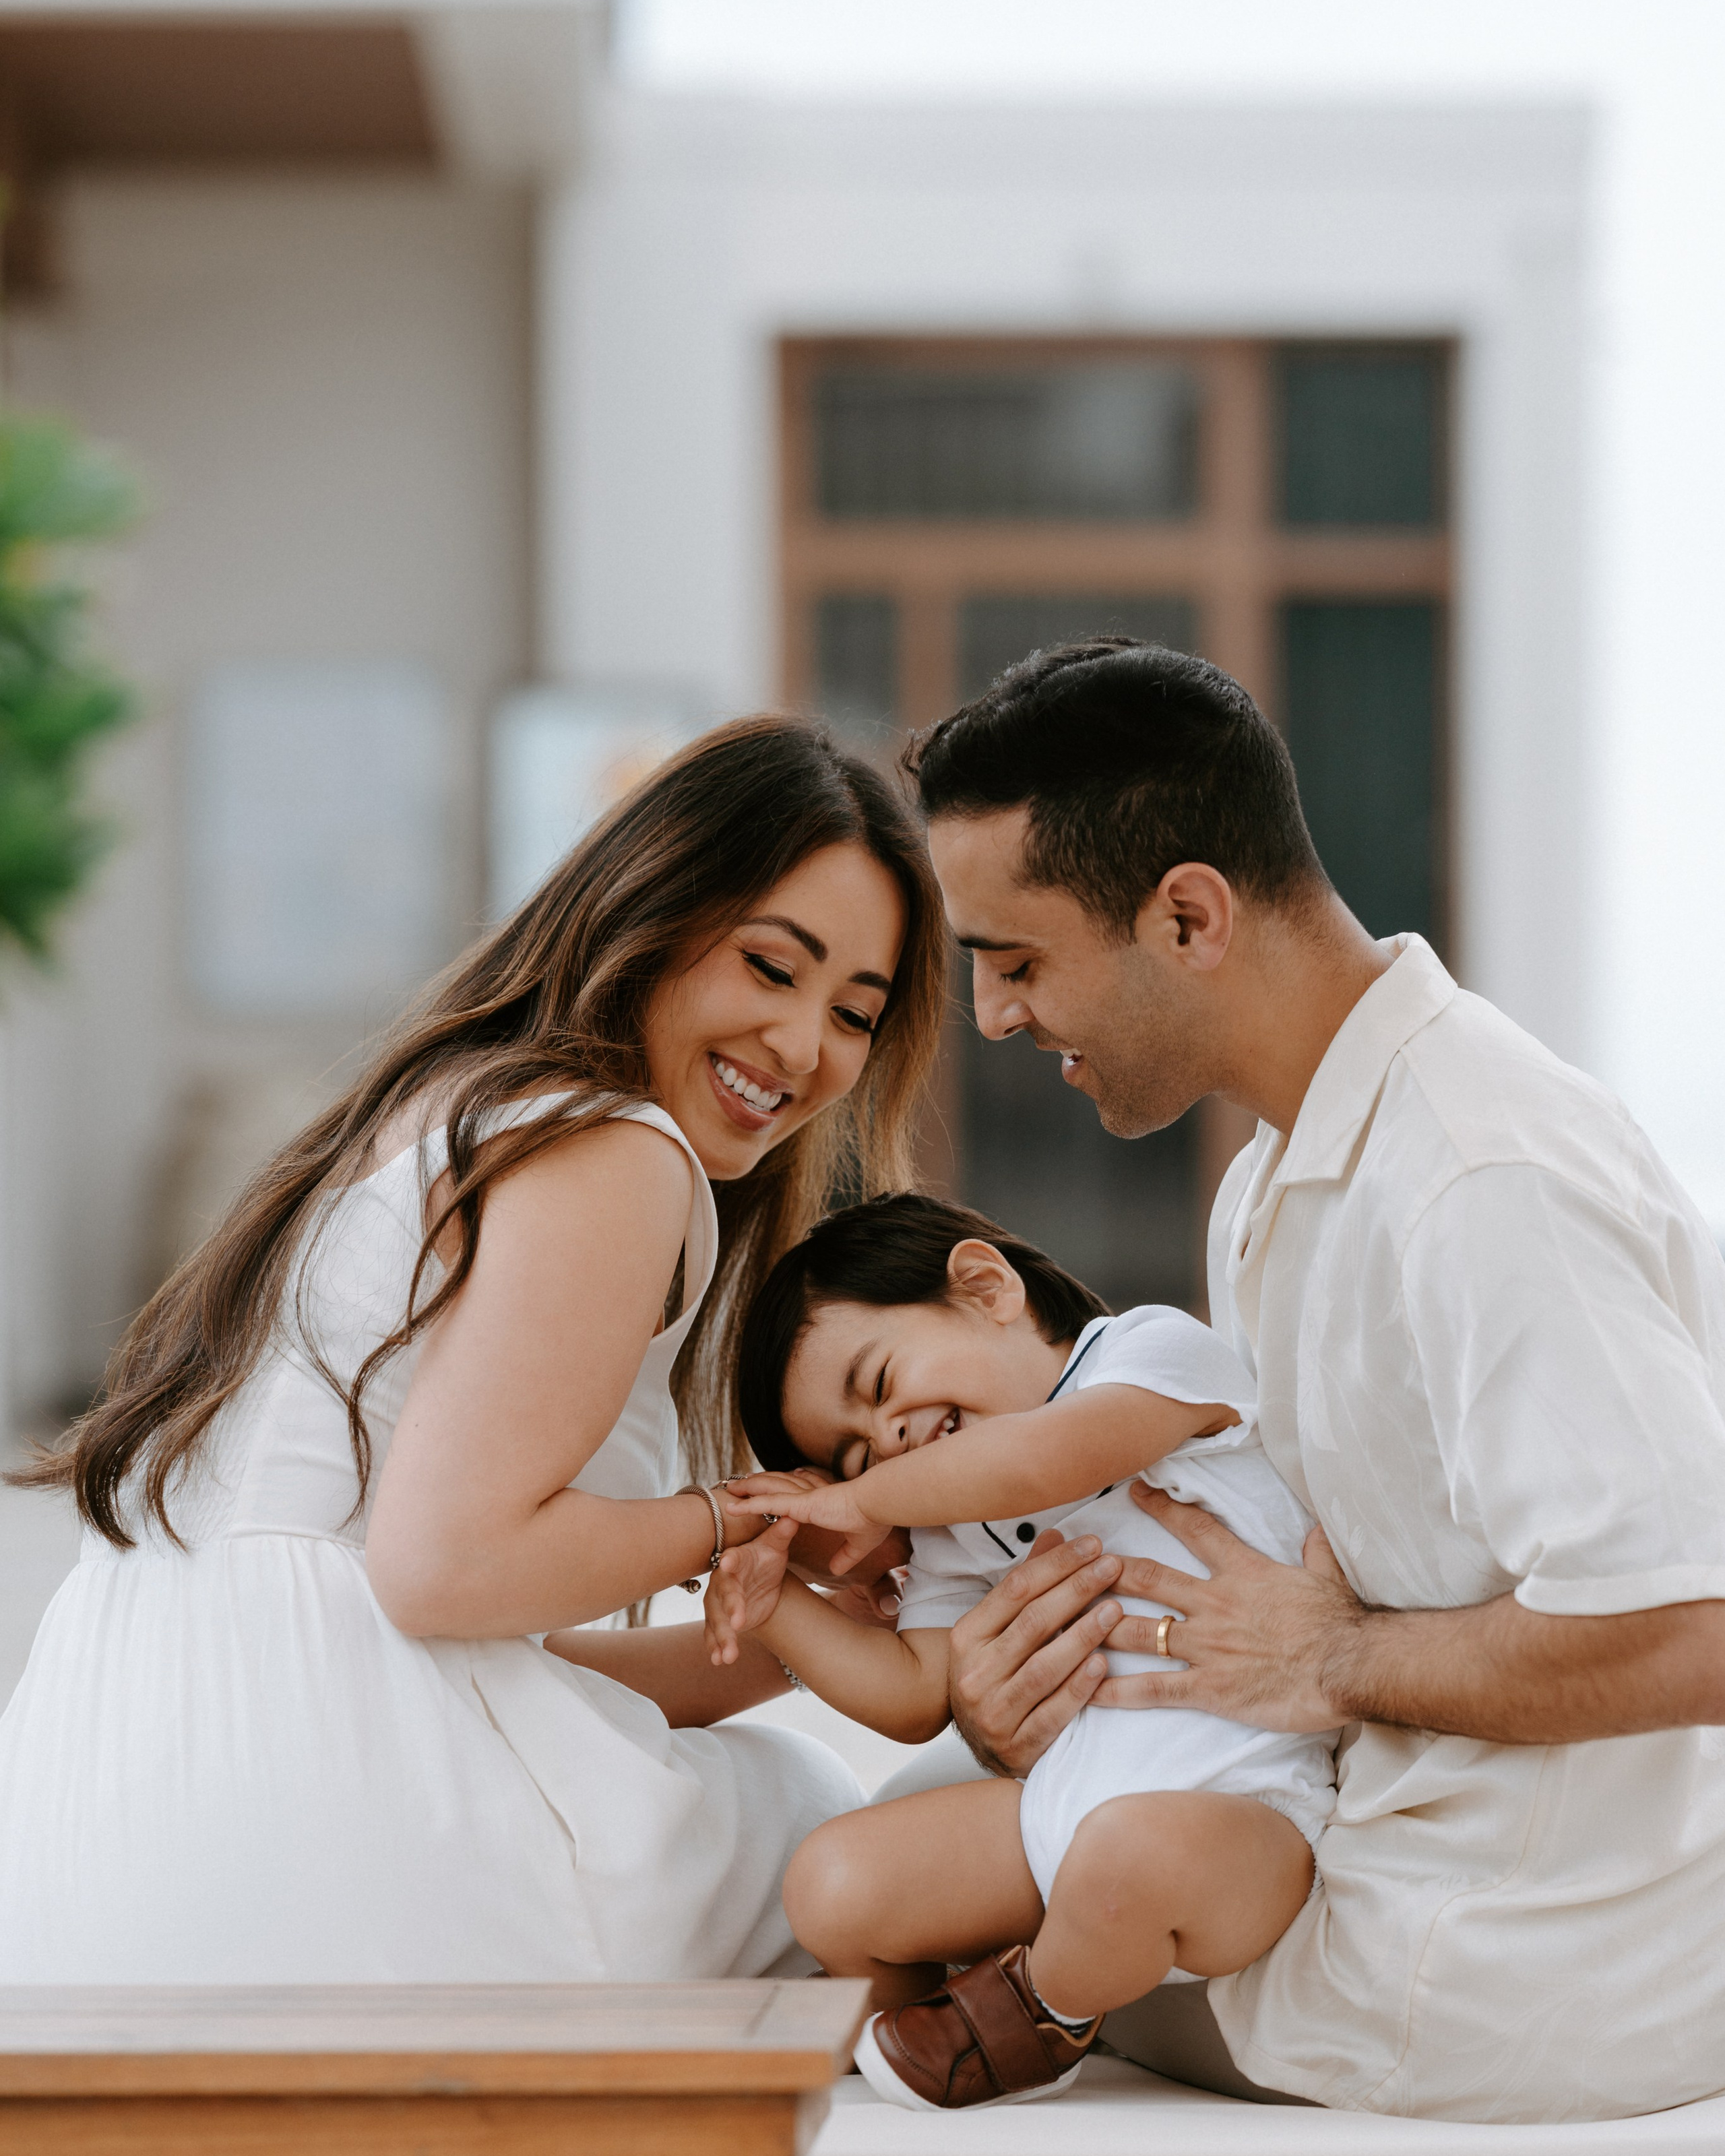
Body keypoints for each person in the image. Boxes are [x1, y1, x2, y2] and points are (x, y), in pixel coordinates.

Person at [898, 639, 1725, 2123]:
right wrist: (1052, 1687)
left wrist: (1327, 1662)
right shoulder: (1276, 1175)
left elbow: (1688, 1628)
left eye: (1014, 960)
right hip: (1377, 1851)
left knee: (870, 1926)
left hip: (1510, 1960)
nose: (997, 1019)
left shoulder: (1481, 1174)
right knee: (893, 1854)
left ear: (1189, 915)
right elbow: (1295, 1585)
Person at [0, 715, 945, 1984]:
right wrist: (737, 1515)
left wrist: (809, 1622)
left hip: (112, 1821)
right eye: (772, 968)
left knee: (792, 1795)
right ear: (652, 907)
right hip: (333, 1823)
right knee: (846, 1827)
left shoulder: (442, 1106)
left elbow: (475, 1653)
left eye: (855, 1013)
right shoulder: (616, 1149)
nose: (803, 1048)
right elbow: (448, 1573)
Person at [704, 1191, 1336, 2114]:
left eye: (879, 1387)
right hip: (1060, 1823)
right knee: (830, 1883)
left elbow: (1054, 1461)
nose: (887, 1443)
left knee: (1128, 1857)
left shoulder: (1146, 1358)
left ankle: (1040, 2012)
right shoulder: (958, 1534)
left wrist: (865, 1500)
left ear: (986, 1286)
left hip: (1243, 1819)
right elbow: (917, 1692)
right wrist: (776, 1607)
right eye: (853, 1456)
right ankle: (921, 2014)